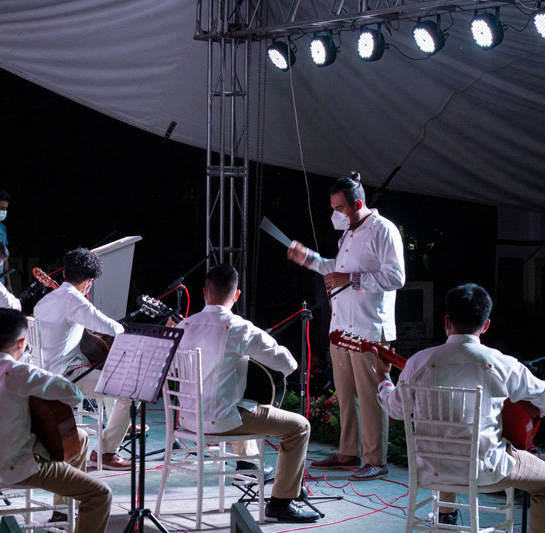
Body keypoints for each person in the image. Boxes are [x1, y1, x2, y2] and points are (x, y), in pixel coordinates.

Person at [375, 283, 545, 527]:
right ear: (485, 325)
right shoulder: (500, 363)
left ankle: (447, 517)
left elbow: (395, 410)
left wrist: (383, 379)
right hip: (487, 471)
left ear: (446, 322)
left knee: (450, 441)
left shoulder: (419, 362)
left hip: (432, 469)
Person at [175, 264, 320, 523]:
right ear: (237, 295)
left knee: (240, 402)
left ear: (205, 293)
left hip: (187, 419)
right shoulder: (239, 328)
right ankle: (281, 503)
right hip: (222, 421)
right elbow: (288, 365)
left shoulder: (184, 325)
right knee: (299, 427)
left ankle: (253, 469)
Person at [288, 172, 405, 481]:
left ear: (357, 204)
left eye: (339, 208)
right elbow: (336, 269)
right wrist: (309, 259)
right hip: (341, 327)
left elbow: (396, 278)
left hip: (369, 328)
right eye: (333, 207)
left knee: (370, 396)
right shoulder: (348, 234)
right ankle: (348, 453)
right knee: (346, 395)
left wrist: (351, 281)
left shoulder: (384, 230)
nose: (335, 215)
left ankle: (375, 459)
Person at [0, 307, 112, 532]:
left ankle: (62, 510)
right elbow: (74, 396)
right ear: (23, 342)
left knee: (80, 438)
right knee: (100, 494)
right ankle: (71, 505)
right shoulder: (21, 373)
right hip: (20, 466)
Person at [33, 247, 132, 471]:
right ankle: (106, 452)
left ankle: (112, 434)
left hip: (42, 374)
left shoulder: (44, 302)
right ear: (89, 281)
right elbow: (114, 328)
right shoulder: (75, 301)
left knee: (108, 381)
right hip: (66, 377)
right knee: (128, 393)